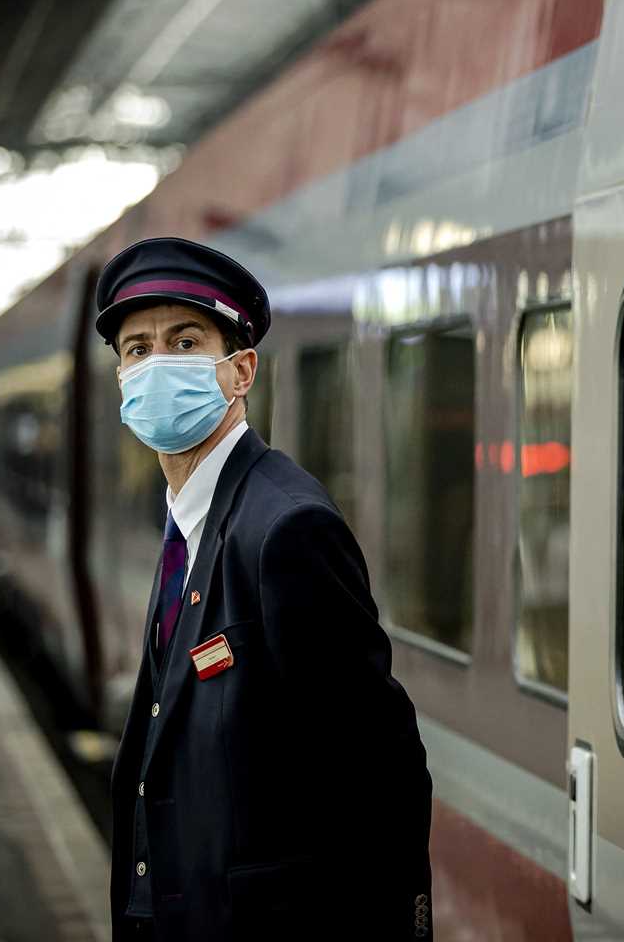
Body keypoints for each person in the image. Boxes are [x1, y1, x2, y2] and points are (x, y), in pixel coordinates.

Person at [97, 237, 433, 941]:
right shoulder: (188, 524)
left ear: (240, 369)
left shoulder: (286, 529)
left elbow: (380, 773)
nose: (155, 364)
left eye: (184, 342)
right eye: (136, 349)